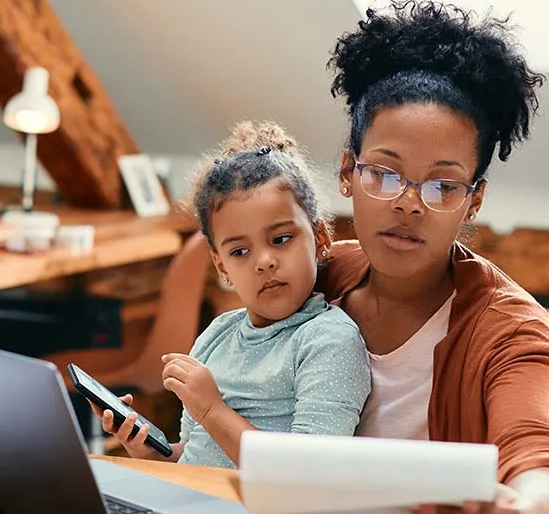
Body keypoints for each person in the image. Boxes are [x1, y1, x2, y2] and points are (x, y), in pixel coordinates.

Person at [321, 0, 549, 514]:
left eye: (442, 185)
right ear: (347, 173)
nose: (408, 203)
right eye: (385, 173)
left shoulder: (510, 329)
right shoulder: (320, 279)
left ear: (473, 199)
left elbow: (539, 452)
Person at [99, 121, 372, 468]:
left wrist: (212, 409)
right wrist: (156, 453)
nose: (264, 262)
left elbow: (307, 472)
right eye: (240, 252)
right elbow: (201, 455)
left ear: (320, 238)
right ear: (221, 266)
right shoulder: (216, 337)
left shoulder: (328, 340)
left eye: (281, 239)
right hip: (200, 505)